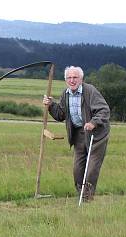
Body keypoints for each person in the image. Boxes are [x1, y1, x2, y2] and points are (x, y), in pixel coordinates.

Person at [43, 66, 110, 201]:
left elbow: (104, 110)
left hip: (96, 134)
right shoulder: (65, 94)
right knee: (78, 168)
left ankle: (87, 198)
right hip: (78, 133)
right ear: (66, 80)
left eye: (75, 77)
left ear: (81, 79)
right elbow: (60, 114)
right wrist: (50, 105)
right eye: (69, 77)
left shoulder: (90, 91)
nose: (72, 80)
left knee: (91, 168)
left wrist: (93, 122)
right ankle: (81, 194)